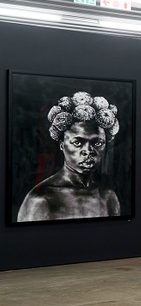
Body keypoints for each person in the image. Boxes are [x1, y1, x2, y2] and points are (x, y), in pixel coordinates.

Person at [18, 91, 122, 221]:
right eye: (78, 143)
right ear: (62, 145)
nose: (88, 151)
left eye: (98, 143)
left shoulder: (108, 196)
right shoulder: (41, 199)